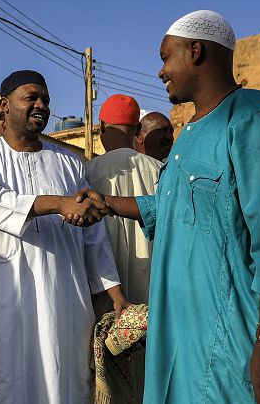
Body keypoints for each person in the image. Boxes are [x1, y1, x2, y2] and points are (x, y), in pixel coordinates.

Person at [91, 11, 260, 403]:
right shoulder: (191, 133)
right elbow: (167, 209)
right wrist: (106, 203)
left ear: (195, 51)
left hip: (237, 342)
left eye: (165, 57)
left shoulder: (256, 119)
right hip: (184, 339)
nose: (160, 71)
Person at [0, 70, 127, 403]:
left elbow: (95, 237)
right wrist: (57, 204)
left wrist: (116, 294)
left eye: (46, 99)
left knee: (66, 380)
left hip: (65, 299)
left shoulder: (69, 163)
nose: (41, 105)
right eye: (31, 97)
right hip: (8, 299)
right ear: (4, 107)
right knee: (8, 382)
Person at [83, 93, 161, 400]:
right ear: (137, 130)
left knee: (106, 381)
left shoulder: (86, 172)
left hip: (103, 295)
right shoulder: (160, 171)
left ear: (101, 127)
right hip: (150, 297)